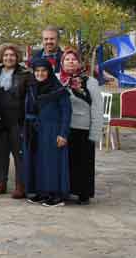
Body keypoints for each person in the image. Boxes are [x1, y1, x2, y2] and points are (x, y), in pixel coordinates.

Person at [23, 58, 71, 206]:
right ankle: (42, 192)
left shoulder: (59, 90)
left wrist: (63, 133)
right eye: (37, 71)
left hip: (53, 130)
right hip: (36, 130)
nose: (40, 73)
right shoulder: (32, 87)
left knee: (53, 162)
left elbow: (66, 112)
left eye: (43, 70)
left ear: (49, 72)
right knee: (39, 161)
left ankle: (56, 194)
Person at [59, 48, 103, 204]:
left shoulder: (90, 82)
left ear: (79, 62)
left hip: (82, 128)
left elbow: (97, 108)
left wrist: (95, 133)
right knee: (66, 162)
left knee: (83, 163)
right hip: (62, 128)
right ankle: (65, 189)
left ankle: (83, 192)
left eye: (74, 59)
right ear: (62, 62)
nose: (70, 62)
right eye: (67, 59)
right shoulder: (58, 80)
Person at [0, 44, 30, 197]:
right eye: (6, 55)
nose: (9, 58)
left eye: (12, 55)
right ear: (2, 57)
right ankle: (1, 183)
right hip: (0, 119)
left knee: (19, 155)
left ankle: (20, 186)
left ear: (17, 57)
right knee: (1, 154)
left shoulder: (25, 74)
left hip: (17, 119)